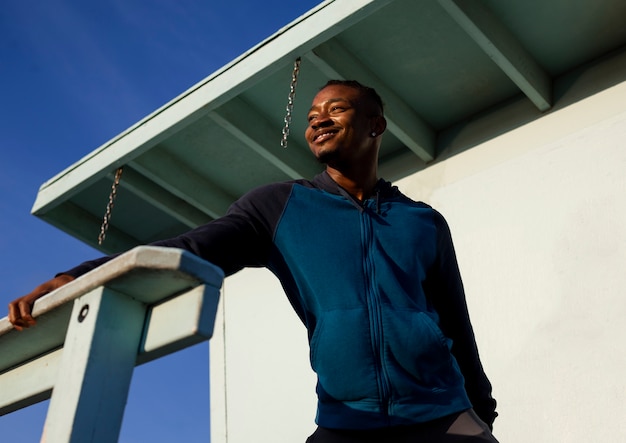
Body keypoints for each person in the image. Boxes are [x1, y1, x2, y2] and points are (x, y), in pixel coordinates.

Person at [9, 80, 498, 442]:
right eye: (311, 115)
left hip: (445, 418)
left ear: (375, 125)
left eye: (337, 109)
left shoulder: (422, 222)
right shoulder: (279, 206)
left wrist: (482, 415)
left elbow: (456, 323)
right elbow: (191, 247)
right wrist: (73, 278)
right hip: (348, 421)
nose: (318, 120)